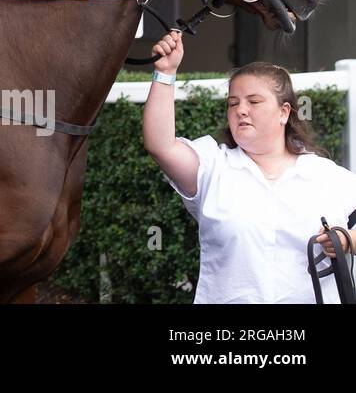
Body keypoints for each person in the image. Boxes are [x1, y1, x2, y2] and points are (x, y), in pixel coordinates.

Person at [145, 30, 356, 303]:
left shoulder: (325, 175)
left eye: (254, 101)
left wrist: (348, 240)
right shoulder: (212, 166)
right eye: (233, 103)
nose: (241, 110)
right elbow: (160, 145)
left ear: (284, 112)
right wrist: (164, 72)